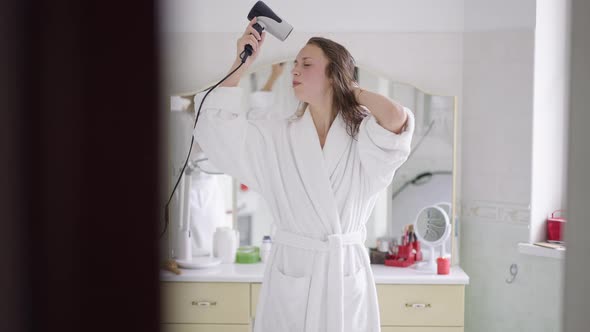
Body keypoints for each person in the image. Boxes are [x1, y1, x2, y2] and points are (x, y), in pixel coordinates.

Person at [193, 17, 415, 332]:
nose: (294, 70)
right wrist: (242, 61)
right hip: (293, 267)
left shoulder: (364, 135)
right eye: (295, 63)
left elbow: (396, 119)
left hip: (344, 270)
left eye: (306, 64)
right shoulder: (276, 134)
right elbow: (216, 126)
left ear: (334, 74)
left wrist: (351, 88)